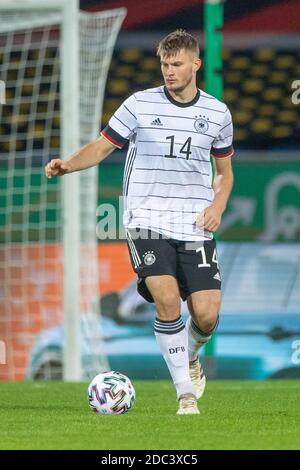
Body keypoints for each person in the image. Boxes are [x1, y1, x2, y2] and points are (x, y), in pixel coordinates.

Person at [45, 29, 234, 415]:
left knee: (207, 314)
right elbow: (101, 147)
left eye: (177, 64)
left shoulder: (217, 113)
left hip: (195, 223)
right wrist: (68, 164)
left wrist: (218, 205)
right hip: (146, 218)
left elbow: (225, 174)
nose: (169, 71)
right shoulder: (138, 105)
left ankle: (190, 357)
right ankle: (184, 393)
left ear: (195, 64)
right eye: (164, 64)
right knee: (166, 299)